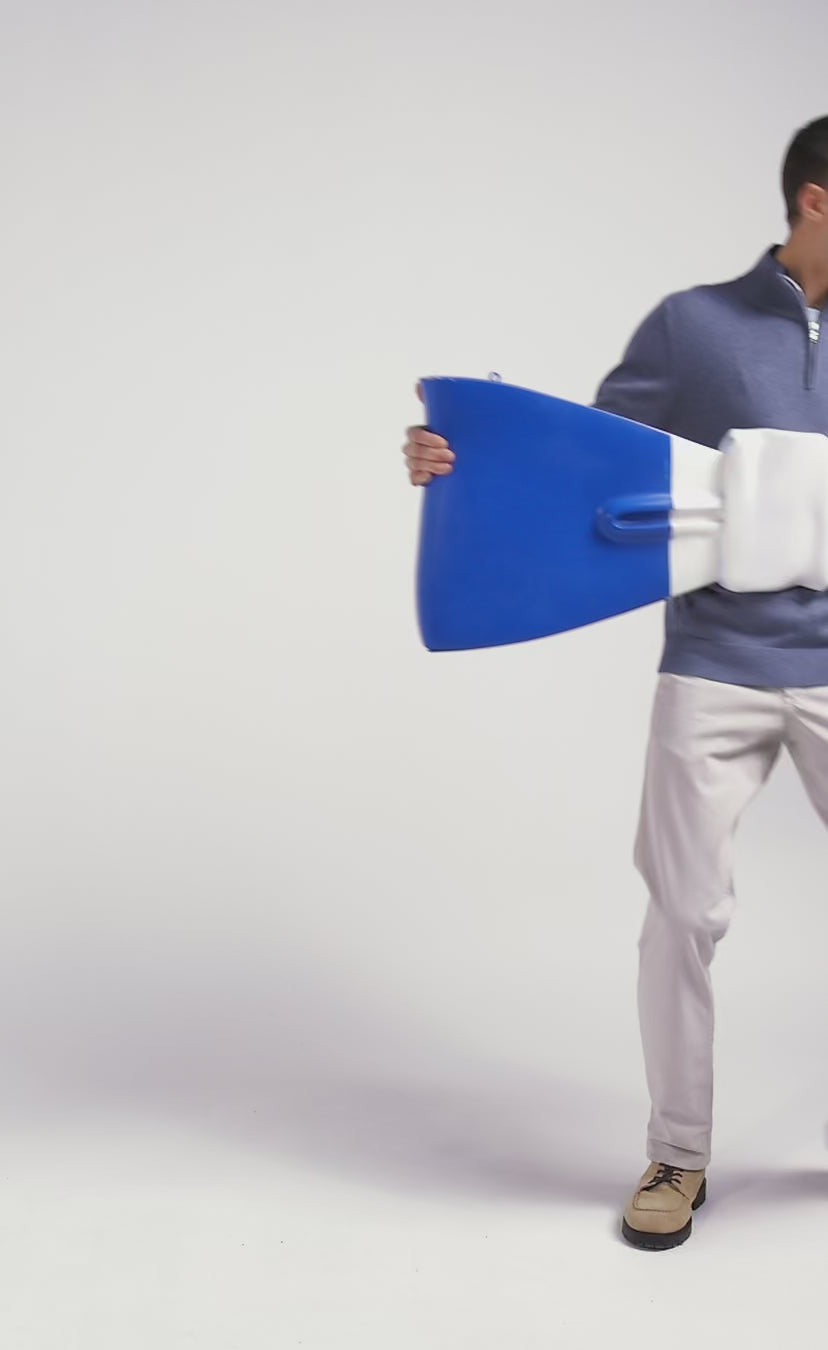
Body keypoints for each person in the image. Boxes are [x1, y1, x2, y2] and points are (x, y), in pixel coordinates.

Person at [402, 115, 828, 1250]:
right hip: (716, 665)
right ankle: (679, 1154)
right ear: (817, 201)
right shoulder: (696, 326)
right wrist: (458, 456)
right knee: (681, 914)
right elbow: (578, 461)